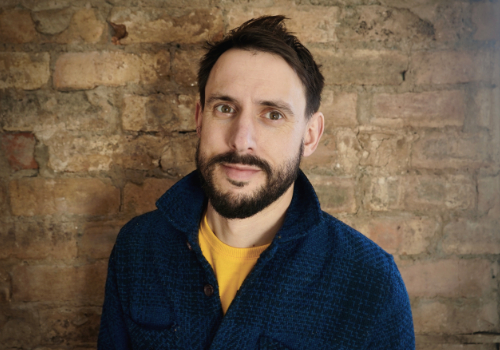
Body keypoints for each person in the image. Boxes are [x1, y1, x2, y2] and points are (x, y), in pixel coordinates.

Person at [98, 15, 415, 349]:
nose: (241, 140)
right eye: (224, 108)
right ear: (199, 119)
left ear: (310, 135)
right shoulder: (138, 246)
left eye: (273, 115)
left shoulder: (371, 282)